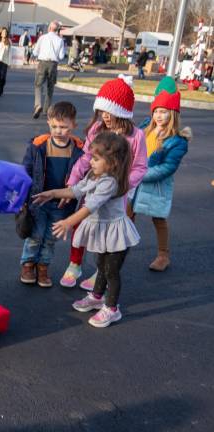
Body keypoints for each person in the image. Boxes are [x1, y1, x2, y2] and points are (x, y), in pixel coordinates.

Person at [33, 132, 140, 328]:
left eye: (96, 159)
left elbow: (90, 206)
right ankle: (97, 297)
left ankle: (112, 308)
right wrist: (53, 193)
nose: (91, 162)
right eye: (91, 157)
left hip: (115, 233)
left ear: (113, 162)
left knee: (111, 271)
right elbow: (76, 190)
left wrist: (68, 222)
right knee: (101, 264)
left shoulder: (110, 182)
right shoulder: (94, 174)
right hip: (103, 230)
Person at [60, 75, 147, 290]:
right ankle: (75, 263)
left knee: (107, 234)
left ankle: (101, 272)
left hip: (117, 195)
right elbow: (86, 159)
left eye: (110, 111)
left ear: (123, 111)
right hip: (92, 189)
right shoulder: (97, 129)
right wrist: (71, 184)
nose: (105, 116)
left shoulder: (136, 136)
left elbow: (140, 167)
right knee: (80, 224)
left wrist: (121, 186)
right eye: (102, 110)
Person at [129, 77, 191, 271]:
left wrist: (140, 174)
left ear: (173, 113)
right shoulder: (146, 128)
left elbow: (167, 168)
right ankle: (121, 245)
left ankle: (163, 255)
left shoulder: (177, 141)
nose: (159, 116)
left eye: (164, 112)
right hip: (134, 179)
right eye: (156, 111)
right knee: (127, 212)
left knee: (158, 218)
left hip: (155, 185)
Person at [19, 102, 84, 288]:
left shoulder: (79, 150)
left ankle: (43, 267)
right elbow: (26, 171)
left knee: (50, 238)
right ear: (48, 123)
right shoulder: (39, 145)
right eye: (54, 126)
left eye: (64, 127)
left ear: (73, 126)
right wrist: (23, 199)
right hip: (38, 200)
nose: (58, 130)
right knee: (35, 234)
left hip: (62, 203)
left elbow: (81, 176)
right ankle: (28, 264)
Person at [32, 21, 65, 119]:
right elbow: (61, 56)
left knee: (38, 85)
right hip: (53, 64)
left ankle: (38, 105)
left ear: (49, 28)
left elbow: (35, 52)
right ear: (57, 29)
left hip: (42, 63)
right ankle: (46, 110)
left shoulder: (42, 38)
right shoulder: (60, 40)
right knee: (50, 87)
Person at [0, 27, 12, 97]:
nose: (5, 33)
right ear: (1, 33)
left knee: (3, 77)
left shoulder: (8, 41)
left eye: (6, 32)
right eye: (3, 32)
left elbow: (10, 53)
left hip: (5, 61)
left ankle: (2, 87)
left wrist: (9, 62)